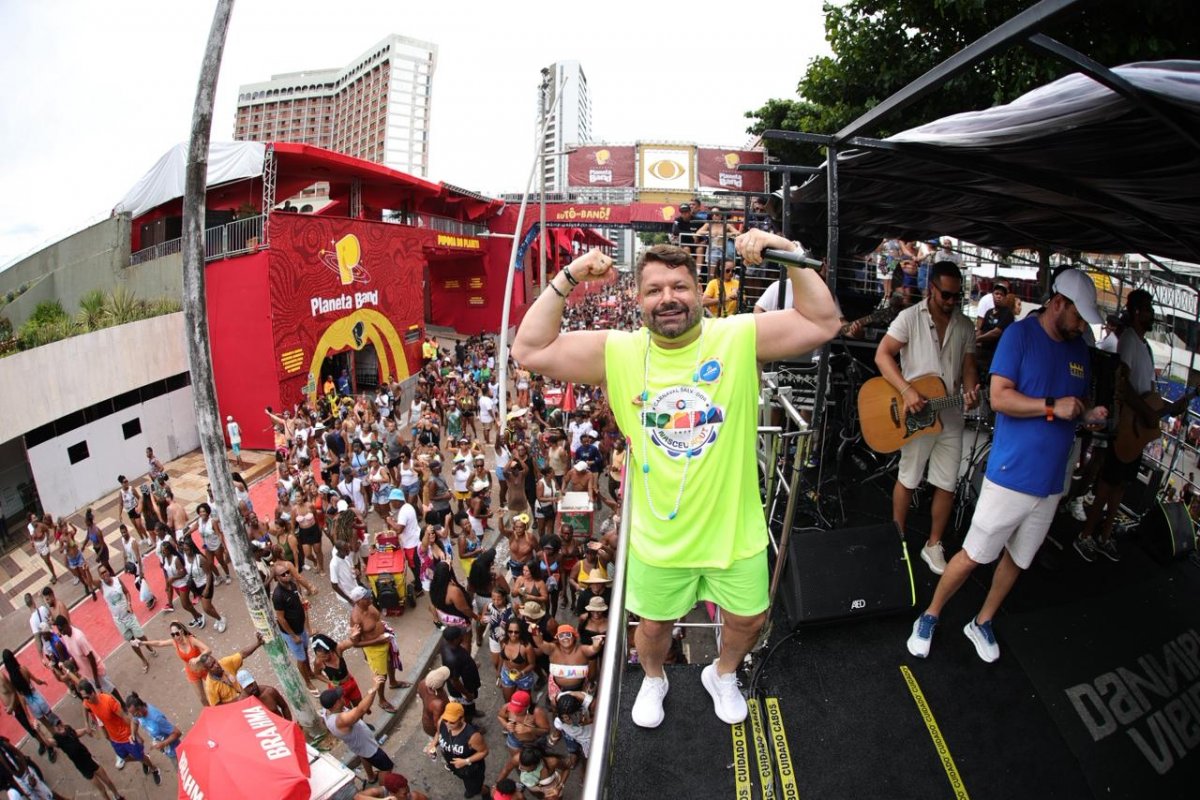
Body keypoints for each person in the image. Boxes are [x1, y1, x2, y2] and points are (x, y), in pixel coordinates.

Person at [513, 239, 839, 728]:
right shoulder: (618, 351)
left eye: (680, 285)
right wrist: (572, 274)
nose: (668, 297)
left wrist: (787, 251)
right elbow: (529, 348)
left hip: (734, 529)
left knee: (749, 619)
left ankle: (723, 673)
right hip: (658, 535)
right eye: (654, 289)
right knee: (653, 627)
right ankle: (653, 678)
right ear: (638, 300)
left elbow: (824, 322)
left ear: (700, 294)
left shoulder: (737, 337)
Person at [906, 269, 1107, 663]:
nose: (1082, 325)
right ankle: (929, 615)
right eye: (1078, 316)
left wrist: (1087, 415)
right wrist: (1053, 406)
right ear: (1058, 303)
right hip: (1011, 476)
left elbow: (1073, 409)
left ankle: (982, 621)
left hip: (1051, 483)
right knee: (974, 554)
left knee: (1019, 558)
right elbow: (999, 398)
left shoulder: (1079, 350)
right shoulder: (1020, 336)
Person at [875, 260, 979, 575]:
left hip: (950, 413)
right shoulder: (909, 318)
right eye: (945, 294)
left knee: (947, 483)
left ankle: (933, 544)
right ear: (931, 288)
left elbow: (969, 365)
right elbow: (882, 355)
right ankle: (898, 536)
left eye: (956, 296)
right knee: (909, 477)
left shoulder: (965, 325)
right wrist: (906, 390)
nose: (951, 301)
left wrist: (972, 389)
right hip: (917, 414)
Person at [1076, 290, 1187, 563]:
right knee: (1107, 483)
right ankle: (1086, 535)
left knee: (1121, 484)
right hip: (1126, 427)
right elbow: (1123, 387)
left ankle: (1103, 535)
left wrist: (1168, 408)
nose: (1152, 315)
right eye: (1148, 309)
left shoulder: (1142, 344)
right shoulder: (1127, 342)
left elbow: (1145, 390)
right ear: (1137, 311)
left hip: (1135, 430)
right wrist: (1150, 412)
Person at [79, 679, 162, 782]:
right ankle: (144, 759)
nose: (86, 700)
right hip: (114, 739)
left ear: (92, 693)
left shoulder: (108, 701)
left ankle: (154, 768)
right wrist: (86, 724)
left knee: (139, 755)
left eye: (87, 697)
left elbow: (125, 717)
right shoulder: (87, 702)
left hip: (126, 736)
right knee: (126, 758)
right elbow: (84, 706)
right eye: (84, 698)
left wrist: (136, 735)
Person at [319, 677, 395, 786]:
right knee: (387, 768)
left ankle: (371, 777)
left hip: (358, 747)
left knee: (363, 756)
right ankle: (383, 789)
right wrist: (374, 688)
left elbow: (358, 711)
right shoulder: (340, 719)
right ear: (335, 704)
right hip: (370, 749)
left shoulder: (326, 711)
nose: (342, 697)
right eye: (339, 698)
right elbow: (361, 710)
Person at [347, 586, 403, 709]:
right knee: (381, 676)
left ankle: (393, 682)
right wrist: (377, 640)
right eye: (366, 598)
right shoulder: (356, 619)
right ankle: (381, 700)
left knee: (391, 663)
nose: (370, 598)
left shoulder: (369, 604)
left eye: (369, 596)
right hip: (374, 649)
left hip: (385, 640)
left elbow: (377, 619)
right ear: (358, 601)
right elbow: (355, 643)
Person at [95, 563, 156, 672]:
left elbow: (127, 592)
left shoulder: (117, 580)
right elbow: (89, 581)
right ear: (100, 576)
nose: (104, 574)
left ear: (108, 571)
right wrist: (85, 571)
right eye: (102, 573)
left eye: (105, 571)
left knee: (141, 636)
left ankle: (149, 647)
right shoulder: (101, 586)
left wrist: (129, 604)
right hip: (119, 620)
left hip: (128, 615)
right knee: (132, 641)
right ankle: (143, 660)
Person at [0, 650, 57, 763]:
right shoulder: (21, 670)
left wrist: (16, 709)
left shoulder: (5, 677)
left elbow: (15, 693)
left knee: (36, 727)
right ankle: (49, 740)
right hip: (34, 699)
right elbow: (34, 680)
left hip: (23, 705)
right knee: (48, 721)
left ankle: (50, 745)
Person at [50, 718, 121, 800]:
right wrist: (38, 731)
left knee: (107, 781)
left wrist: (85, 730)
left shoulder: (68, 729)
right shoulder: (57, 739)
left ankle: (117, 796)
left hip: (89, 759)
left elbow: (76, 733)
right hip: (83, 767)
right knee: (101, 789)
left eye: (59, 723)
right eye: (57, 725)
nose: (59, 726)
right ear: (54, 728)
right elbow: (48, 743)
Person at [143, 621, 210, 707]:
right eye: (173, 635)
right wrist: (143, 643)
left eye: (177, 633)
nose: (175, 637)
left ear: (181, 631)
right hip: (192, 673)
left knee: (213, 690)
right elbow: (159, 643)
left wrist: (198, 658)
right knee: (201, 698)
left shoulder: (192, 640)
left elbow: (208, 649)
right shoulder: (174, 643)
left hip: (204, 669)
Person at [272, 561, 316, 690]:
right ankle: (307, 682)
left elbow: (299, 597)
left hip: (300, 627)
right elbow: (280, 618)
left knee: (306, 651)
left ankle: (310, 672)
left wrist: (304, 602)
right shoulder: (278, 596)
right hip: (291, 633)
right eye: (282, 574)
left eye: (287, 572)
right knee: (301, 659)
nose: (286, 575)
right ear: (277, 578)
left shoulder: (293, 584)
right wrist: (293, 636)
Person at [436, 702, 489, 799]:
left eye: (452, 722)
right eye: (445, 719)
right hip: (454, 765)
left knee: (476, 788)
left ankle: (485, 792)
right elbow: (438, 734)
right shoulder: (442, 722)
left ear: (461, 718)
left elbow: (484, 751)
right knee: (466, 782)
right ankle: (471, 789)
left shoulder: (473, 736)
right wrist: (432, 745)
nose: (447, 724)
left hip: (472, 769)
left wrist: (465, 761)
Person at [194, 634, 264, 707]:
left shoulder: (224, 662)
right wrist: (236, 701)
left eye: (215, 661)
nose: (216, 665)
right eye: (212, 666)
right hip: (235, 708)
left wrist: (258, 643)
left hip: (247, 696)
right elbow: (217, 706)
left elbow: (242, 654)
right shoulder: (210, 687)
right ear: (207, 670)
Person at [440, 626, 482, 721]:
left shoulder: (446, 644)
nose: (463, 636)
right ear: (455, 640)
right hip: (463, 689)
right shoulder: (452, 659)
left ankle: (473, 711)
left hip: (468, 682)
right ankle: (469, 724)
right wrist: (466, 694)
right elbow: (454, 681)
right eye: (460, 636)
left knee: (470, 703)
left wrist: (472, 665)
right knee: (465, 709)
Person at [125, 693, 180, 765]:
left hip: (175, 751)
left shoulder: (156, 719)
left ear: (140, 707)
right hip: (166, 749)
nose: (135, 716)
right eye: (133, 714)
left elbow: (177, 732)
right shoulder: (138, 714)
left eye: (135, 713)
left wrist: (163, 743)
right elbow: (134, 721)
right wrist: (133, 734)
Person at [354, 772, 429, 800]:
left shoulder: (414, 797)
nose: (408, 794)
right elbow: (357, 797)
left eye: (408, 789)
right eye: (404, 794)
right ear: (392, 793)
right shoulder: (380, 792)